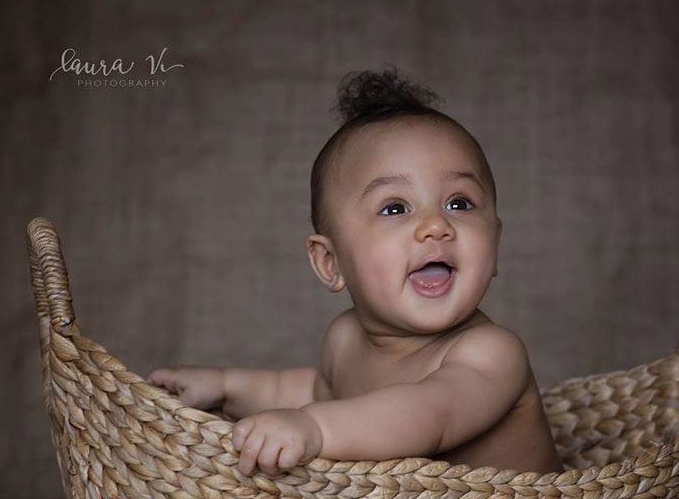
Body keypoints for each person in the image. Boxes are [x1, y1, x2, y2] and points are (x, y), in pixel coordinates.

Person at [148, 67, 563, 478]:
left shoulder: (491, 352)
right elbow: (309, 391)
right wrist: (226, 386)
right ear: (331, 263)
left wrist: (315, 428)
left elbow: (426, 415)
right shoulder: (344, 338)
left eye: (459, 203)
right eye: (395, 208)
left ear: (495, 242)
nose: (436, 225)